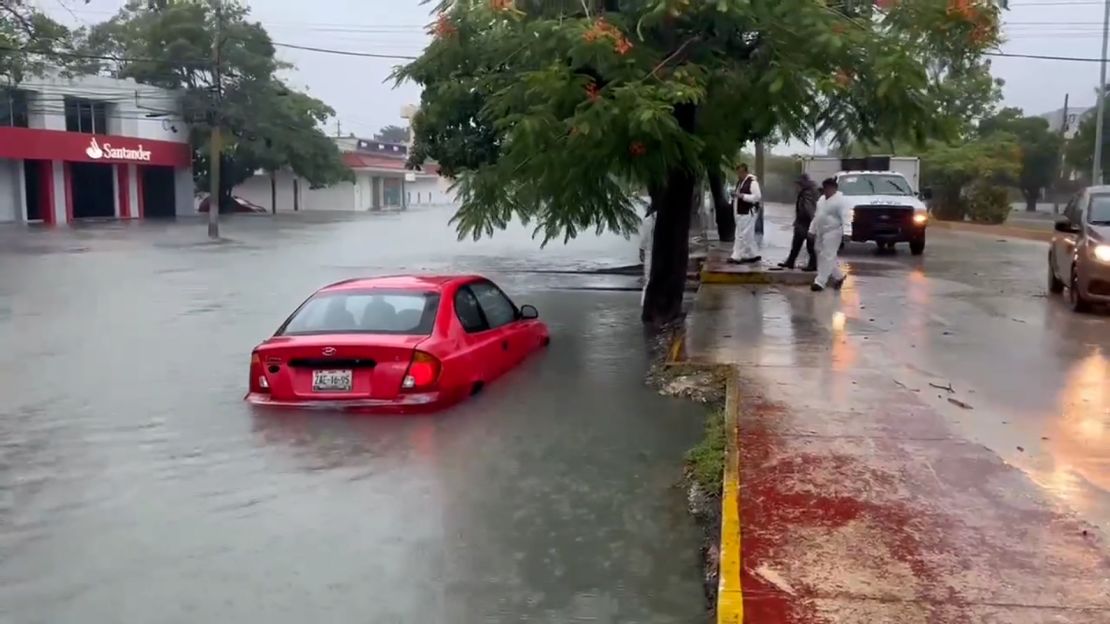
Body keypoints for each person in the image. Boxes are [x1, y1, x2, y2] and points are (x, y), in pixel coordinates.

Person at [808, 177, 852, 292]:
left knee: (827, 255)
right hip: (821, 230)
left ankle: (820, 282)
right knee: (820, 253)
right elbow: (817, 216)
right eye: (825, 188)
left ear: (834, 189)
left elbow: (846, 217)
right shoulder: (822, 200)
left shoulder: (841, 201)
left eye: (829, 188)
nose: (827, 190)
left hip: (834, 231)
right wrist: (811, 230)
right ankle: (838, 276)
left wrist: (847, 232)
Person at [779, 174, 818, 271]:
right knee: (796, 244)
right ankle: (790, 262)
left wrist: (813, 224)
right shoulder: (806, 193)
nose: (795, 187)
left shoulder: (807, 194)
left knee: (810, 246)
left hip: (806, 223)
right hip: (802, 223)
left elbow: (810, 210)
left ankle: (812, 265)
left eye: (796, 185)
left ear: (801, 184)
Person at [728, 163, 762, 264]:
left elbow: (757, 197)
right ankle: (752, 254)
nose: (739, 175)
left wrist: (742, 196)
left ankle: (737, 256)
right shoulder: (740, 182)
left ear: (745, 171)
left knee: (742, 235)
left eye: (741, 172)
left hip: (747, 212)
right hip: (740, 212)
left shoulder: (752, 182)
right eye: (738, 173)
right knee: (745, 234)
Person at [638, 202, 656, 305]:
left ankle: (645, 302)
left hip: (649, 251)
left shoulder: (647, 220)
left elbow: (644, 239)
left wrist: (641, 250)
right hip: (657, 251)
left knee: (648, 278)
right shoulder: (662, 219)